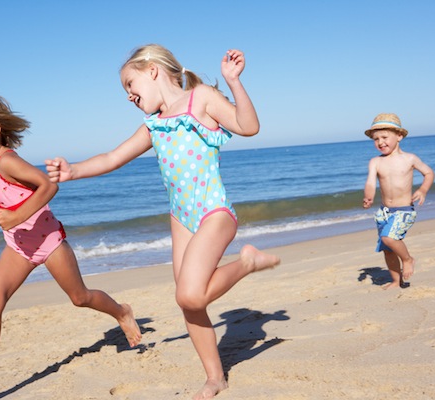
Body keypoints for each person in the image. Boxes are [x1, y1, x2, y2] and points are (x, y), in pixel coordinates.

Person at [45, 44, 280, 399]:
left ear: (152, 70)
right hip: (181, 217)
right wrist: (73, 171)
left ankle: (247, 261)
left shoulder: (201, 98)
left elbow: (249, 127)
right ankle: (215, 376)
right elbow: (113, 157)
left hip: (213, 211)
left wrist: (233, 81)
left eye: (129, 84)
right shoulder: (153, 124)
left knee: (188, 293)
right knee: (190, 303)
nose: (128, 96)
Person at [0, 92, 141, 394]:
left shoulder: (8, 162)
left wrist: (15, 216)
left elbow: (48, 185)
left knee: (80, 297)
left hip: (48, 241)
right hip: (18, 246)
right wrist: (12, 224)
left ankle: (121, 312)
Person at [363, 113, 434, 289]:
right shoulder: (375, 162)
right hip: (384, 212)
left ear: (399, 136)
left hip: (404, 211)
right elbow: (371, 182)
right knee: (387, 249)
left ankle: (408, 259)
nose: (380, 142)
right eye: (376, 139)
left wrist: (423, 189)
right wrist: (368, 196)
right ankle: (396, 280)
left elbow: (429, 173)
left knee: (389, 238)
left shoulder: (409, 159)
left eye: (384, 137)